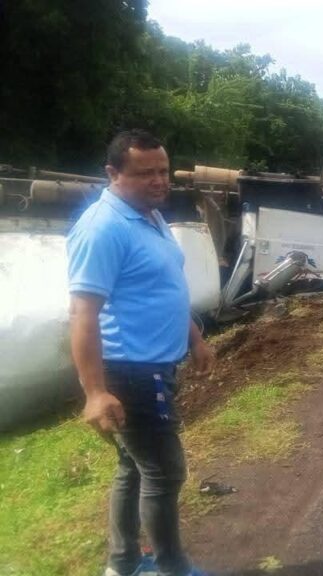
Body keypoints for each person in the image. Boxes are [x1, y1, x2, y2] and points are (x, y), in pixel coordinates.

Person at [67, 130, 214, 576]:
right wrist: (94, 392)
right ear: (113, 174)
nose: (158, 180)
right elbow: (82, 313)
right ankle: (171, 568)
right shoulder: (103, 227)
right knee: (165, 472)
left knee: (134, 468)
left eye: (163, 171)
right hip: (130, 370)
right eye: (144, 173)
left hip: (155, 365)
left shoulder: (149, 216)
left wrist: (194, 338)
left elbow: (163, 287)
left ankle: (123, 564)